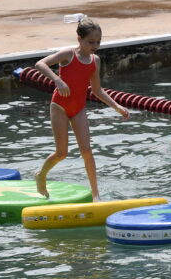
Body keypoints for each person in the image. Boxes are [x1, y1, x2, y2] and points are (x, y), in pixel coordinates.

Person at [33, 17, 129, 201]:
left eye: (98, 42)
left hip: (78, 108)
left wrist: (116, 106)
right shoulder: (68, 54)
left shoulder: (95, 60)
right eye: (90, 41)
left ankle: (95, 194)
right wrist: (57, 80)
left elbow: (97, 90)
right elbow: (40, 64)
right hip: (59, 106)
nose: (95, 45)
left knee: (87, 151)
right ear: (79, 39)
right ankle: (41, 174)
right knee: (62, 153)